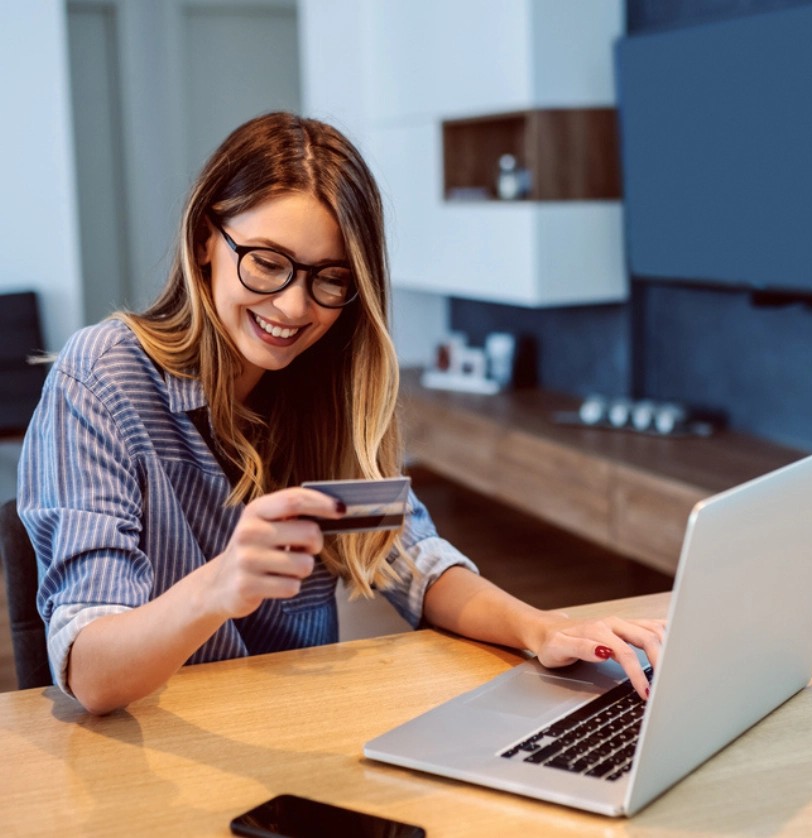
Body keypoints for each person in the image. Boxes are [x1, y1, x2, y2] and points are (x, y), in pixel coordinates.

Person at [18, 112, 664, 715]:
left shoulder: (330, 380)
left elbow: (412, 562)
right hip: (159, 743)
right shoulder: (103, 374)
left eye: (329, 278)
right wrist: (219, 587)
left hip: (297, 725)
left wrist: (543, 627)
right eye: (267, 263)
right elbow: (91, 674)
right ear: (205, 240)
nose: (295, 309)